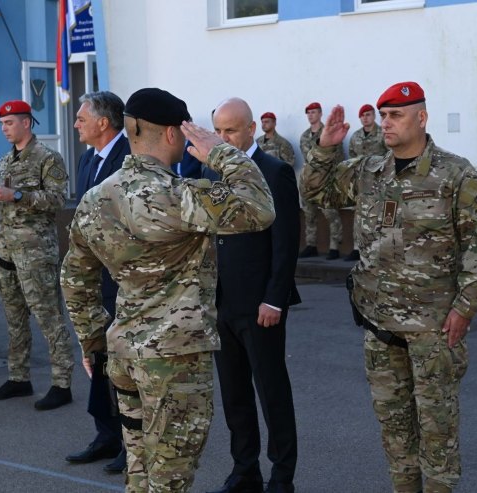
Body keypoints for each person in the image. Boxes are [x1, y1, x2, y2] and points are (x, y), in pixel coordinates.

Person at [60, 87, 275, 493]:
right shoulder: (179, 196)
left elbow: (75, 276)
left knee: (140, 472)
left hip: (123, 353)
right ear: (175, 134)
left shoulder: (95, 198)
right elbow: (260, 207)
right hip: (174, 358)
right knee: (170, 477)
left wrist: (92, 340)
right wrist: (218, 152)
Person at [300, 82, 477, 493]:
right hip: (380, 327)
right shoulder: (369, 170)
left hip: (434, 329)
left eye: (396, 116)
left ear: (421, 118)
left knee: (437, 424)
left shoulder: (455, 174)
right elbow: (315, 191)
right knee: (393, 423)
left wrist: (465, 307)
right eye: (383, 115)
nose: (386, 124)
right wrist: (324, 148)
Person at [208, 98, 300, 493]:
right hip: (220, 302)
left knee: (271, 392)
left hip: (261, 304)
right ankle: (245, 469)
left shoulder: (274, 171)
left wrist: (274, 298)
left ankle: (282, 475)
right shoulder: (208, 170)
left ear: (250, 130)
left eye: (230, 130)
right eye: (218, 131)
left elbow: (285, 241)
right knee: (234, 395)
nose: (223, 138)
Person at [0, 100, 74, 411]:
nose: (4, 129)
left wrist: (19, 195)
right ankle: (18, 378)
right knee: (14, 320)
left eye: (9, 123)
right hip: (6, 252)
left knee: (49, 319)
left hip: (36, 253)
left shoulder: (47, 158)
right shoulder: (3, 161)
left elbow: (56, 199)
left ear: (27, 123)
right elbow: (0, 204)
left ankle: (61, 383)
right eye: (1, 124)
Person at [65, 91, 129, 473]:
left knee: (122, 360)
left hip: (121, 277)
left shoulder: (129, 158)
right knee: (99, 354)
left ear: (103, 122)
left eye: (80, 118)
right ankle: (106, 434)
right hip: (93, 275)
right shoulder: (89, 158)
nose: (76, 124)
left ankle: (128, 439)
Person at [298, 102, 343, 260]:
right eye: (308, 113)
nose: (311, 115)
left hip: (326, 180)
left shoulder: (329, 132)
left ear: (320, 114)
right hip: (308, 181)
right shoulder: (304, 136)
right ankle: (311, 245)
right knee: (309, 214)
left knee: (330, 214)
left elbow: (338, 157)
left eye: (313, 112)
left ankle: (334, 246)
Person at [345, 103, 389, 262]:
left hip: (379, 181)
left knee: (379, 214)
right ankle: (357, 248)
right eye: (363, 115)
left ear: (374, 116)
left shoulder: (382, 133)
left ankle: (379, 248)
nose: (365, 118)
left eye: (368, 114)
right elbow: (351, 157)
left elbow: (390, 154)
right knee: (359, 215)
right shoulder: (355, 136)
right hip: (360, 182)